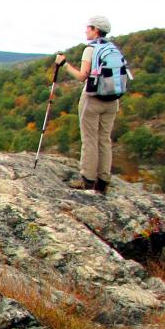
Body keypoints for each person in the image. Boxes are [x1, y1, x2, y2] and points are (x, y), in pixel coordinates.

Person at [56, 15, 118, 195]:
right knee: (104, 140)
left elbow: (83, 76)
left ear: (96, 30)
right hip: (112, 100)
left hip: (93, 99)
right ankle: (103, 182)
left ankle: (88, 181)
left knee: (89, 139)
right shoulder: (112, 49)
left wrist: (65, 64)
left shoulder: (91, 49)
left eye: (88, 28)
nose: (86, 30)